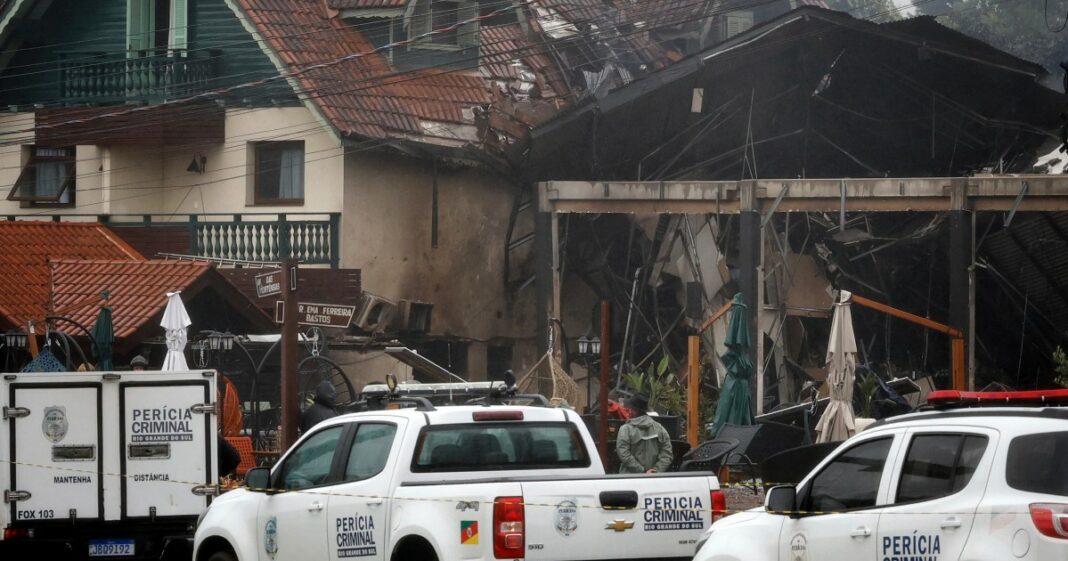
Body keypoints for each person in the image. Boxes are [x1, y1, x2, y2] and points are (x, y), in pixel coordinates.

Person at [615, 393, 673, 474]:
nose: (628, 411)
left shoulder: (625, 429)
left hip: (629, 480)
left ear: (633, 410)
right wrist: (655, 471)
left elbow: (624, 454)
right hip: (653, 481)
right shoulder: (660, 428)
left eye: (629, 409)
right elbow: (667, 455)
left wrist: (642, 471)